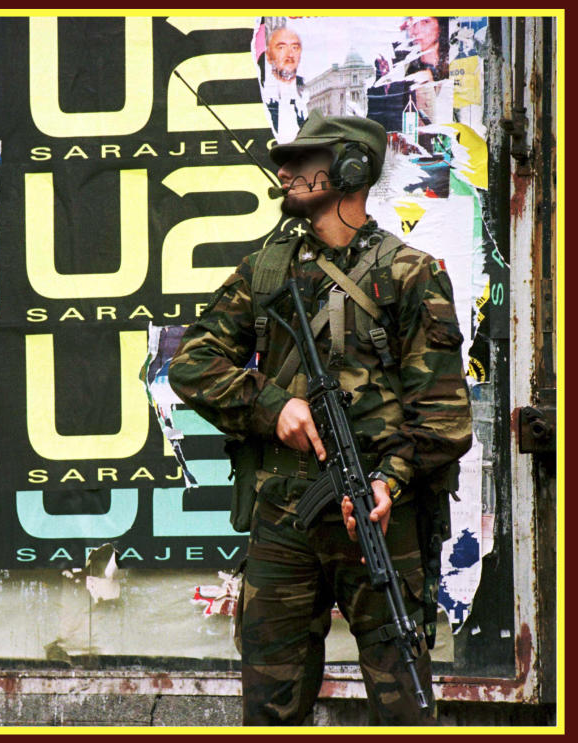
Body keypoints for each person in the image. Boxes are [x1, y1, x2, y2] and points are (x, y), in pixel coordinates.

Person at [168, 111, 472, 725]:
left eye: (303, 162)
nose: (285, 171)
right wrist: (272, 406)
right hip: (284, 515)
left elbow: (443, 418)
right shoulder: (268, 269)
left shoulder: (411, 274)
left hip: (379, 521)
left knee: (403, 704)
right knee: (271, 708)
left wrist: (390, 480)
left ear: (352, 169)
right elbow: (193, 363)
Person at [257, 26, 309, 142]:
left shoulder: (306, 91)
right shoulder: (261, 92)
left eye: (295, 47)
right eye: (281, 47)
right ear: (269, 56)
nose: (290, 54)